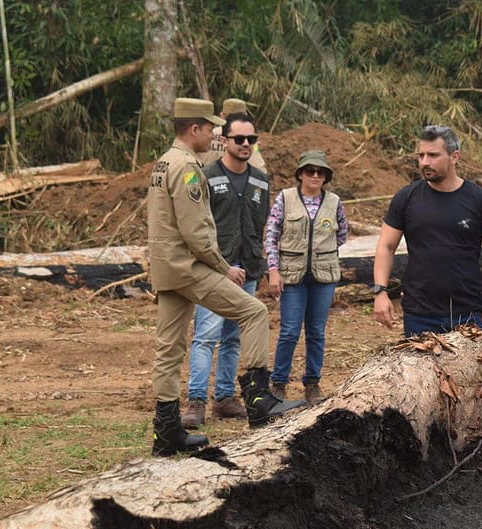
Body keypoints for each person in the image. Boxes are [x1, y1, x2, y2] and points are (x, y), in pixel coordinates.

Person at [147, 98, 303, 457]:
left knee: (169, 350)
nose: (216, 135)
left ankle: (166, 434)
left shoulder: (163, 162)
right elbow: (197, 230)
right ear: (195, 129)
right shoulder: (187, 167)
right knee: (254, 313)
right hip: (188, 267)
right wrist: (223, 267)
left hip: (166, 267)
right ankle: (260, 400)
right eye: (212, 128)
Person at [373, 125, 482, 337]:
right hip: (419, 314)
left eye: (433, 155)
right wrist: (380, 292)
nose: (424, 162)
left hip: (469, 313)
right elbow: (386, 246)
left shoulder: (481, 200)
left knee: (470, 371)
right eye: (421, 155)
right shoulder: (406, 198)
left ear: (454, 157)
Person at [181, 112, 271, 428]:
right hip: (215, 271)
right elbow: (194, 223)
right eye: (239, 139)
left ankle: (224, 397)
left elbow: (263, 226)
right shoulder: (204, 175)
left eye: (251, 139)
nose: (245, 144)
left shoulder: (261, 179)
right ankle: (195, 401)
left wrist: (265, 266)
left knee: (234, 337)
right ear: (224, 140)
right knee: (206, 335)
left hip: (248, 269)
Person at [265, 150, 348, 404]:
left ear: (325, 177)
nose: (315, 175)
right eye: (310, 171)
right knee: (289, 331)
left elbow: (342, 234)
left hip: (323, 278)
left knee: (316, 332)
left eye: (320, 172)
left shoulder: (334, 202)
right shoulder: (285, 198)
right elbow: (271, 234)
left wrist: (322, 253)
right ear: (300, 174)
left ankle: (312, 383)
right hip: (291, 276)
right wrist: (273, 270)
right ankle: (278, 384)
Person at [197, 98, 268, 172]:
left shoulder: (208, 135)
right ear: (245, 116)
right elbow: (258, 165)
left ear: (222, 115)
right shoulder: (249, 140)